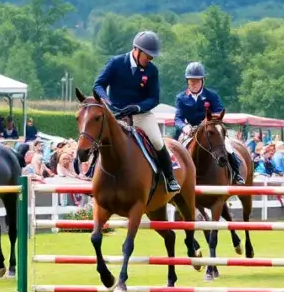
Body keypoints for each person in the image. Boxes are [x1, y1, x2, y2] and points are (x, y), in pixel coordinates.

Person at [93, 30, 179, 192]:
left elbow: (154, 98)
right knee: (98, 138)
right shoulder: (116, 63)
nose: (150, 59)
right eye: (148, 55)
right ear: (136, 50)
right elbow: (98, 85)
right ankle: (92, 172)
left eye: (152, 56)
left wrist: (138, 107)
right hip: (116, 114)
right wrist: (108, 102)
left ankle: (170, 177)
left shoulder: (152, 70)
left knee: (157, 141)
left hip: (141, 115)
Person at [173, 61, 244, 184]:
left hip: (211, 129)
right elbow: (177, 118)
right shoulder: (181, 98)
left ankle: (236, 173)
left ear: (202, 81)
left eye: (197, 81)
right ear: (187, 81)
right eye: (191, 81)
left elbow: (219, 112)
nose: (194, 84)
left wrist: (207, 123)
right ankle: (173, 177)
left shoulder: (211, 96)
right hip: (190, 130)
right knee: (176, 150)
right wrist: (184, 127)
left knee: (228, 146)